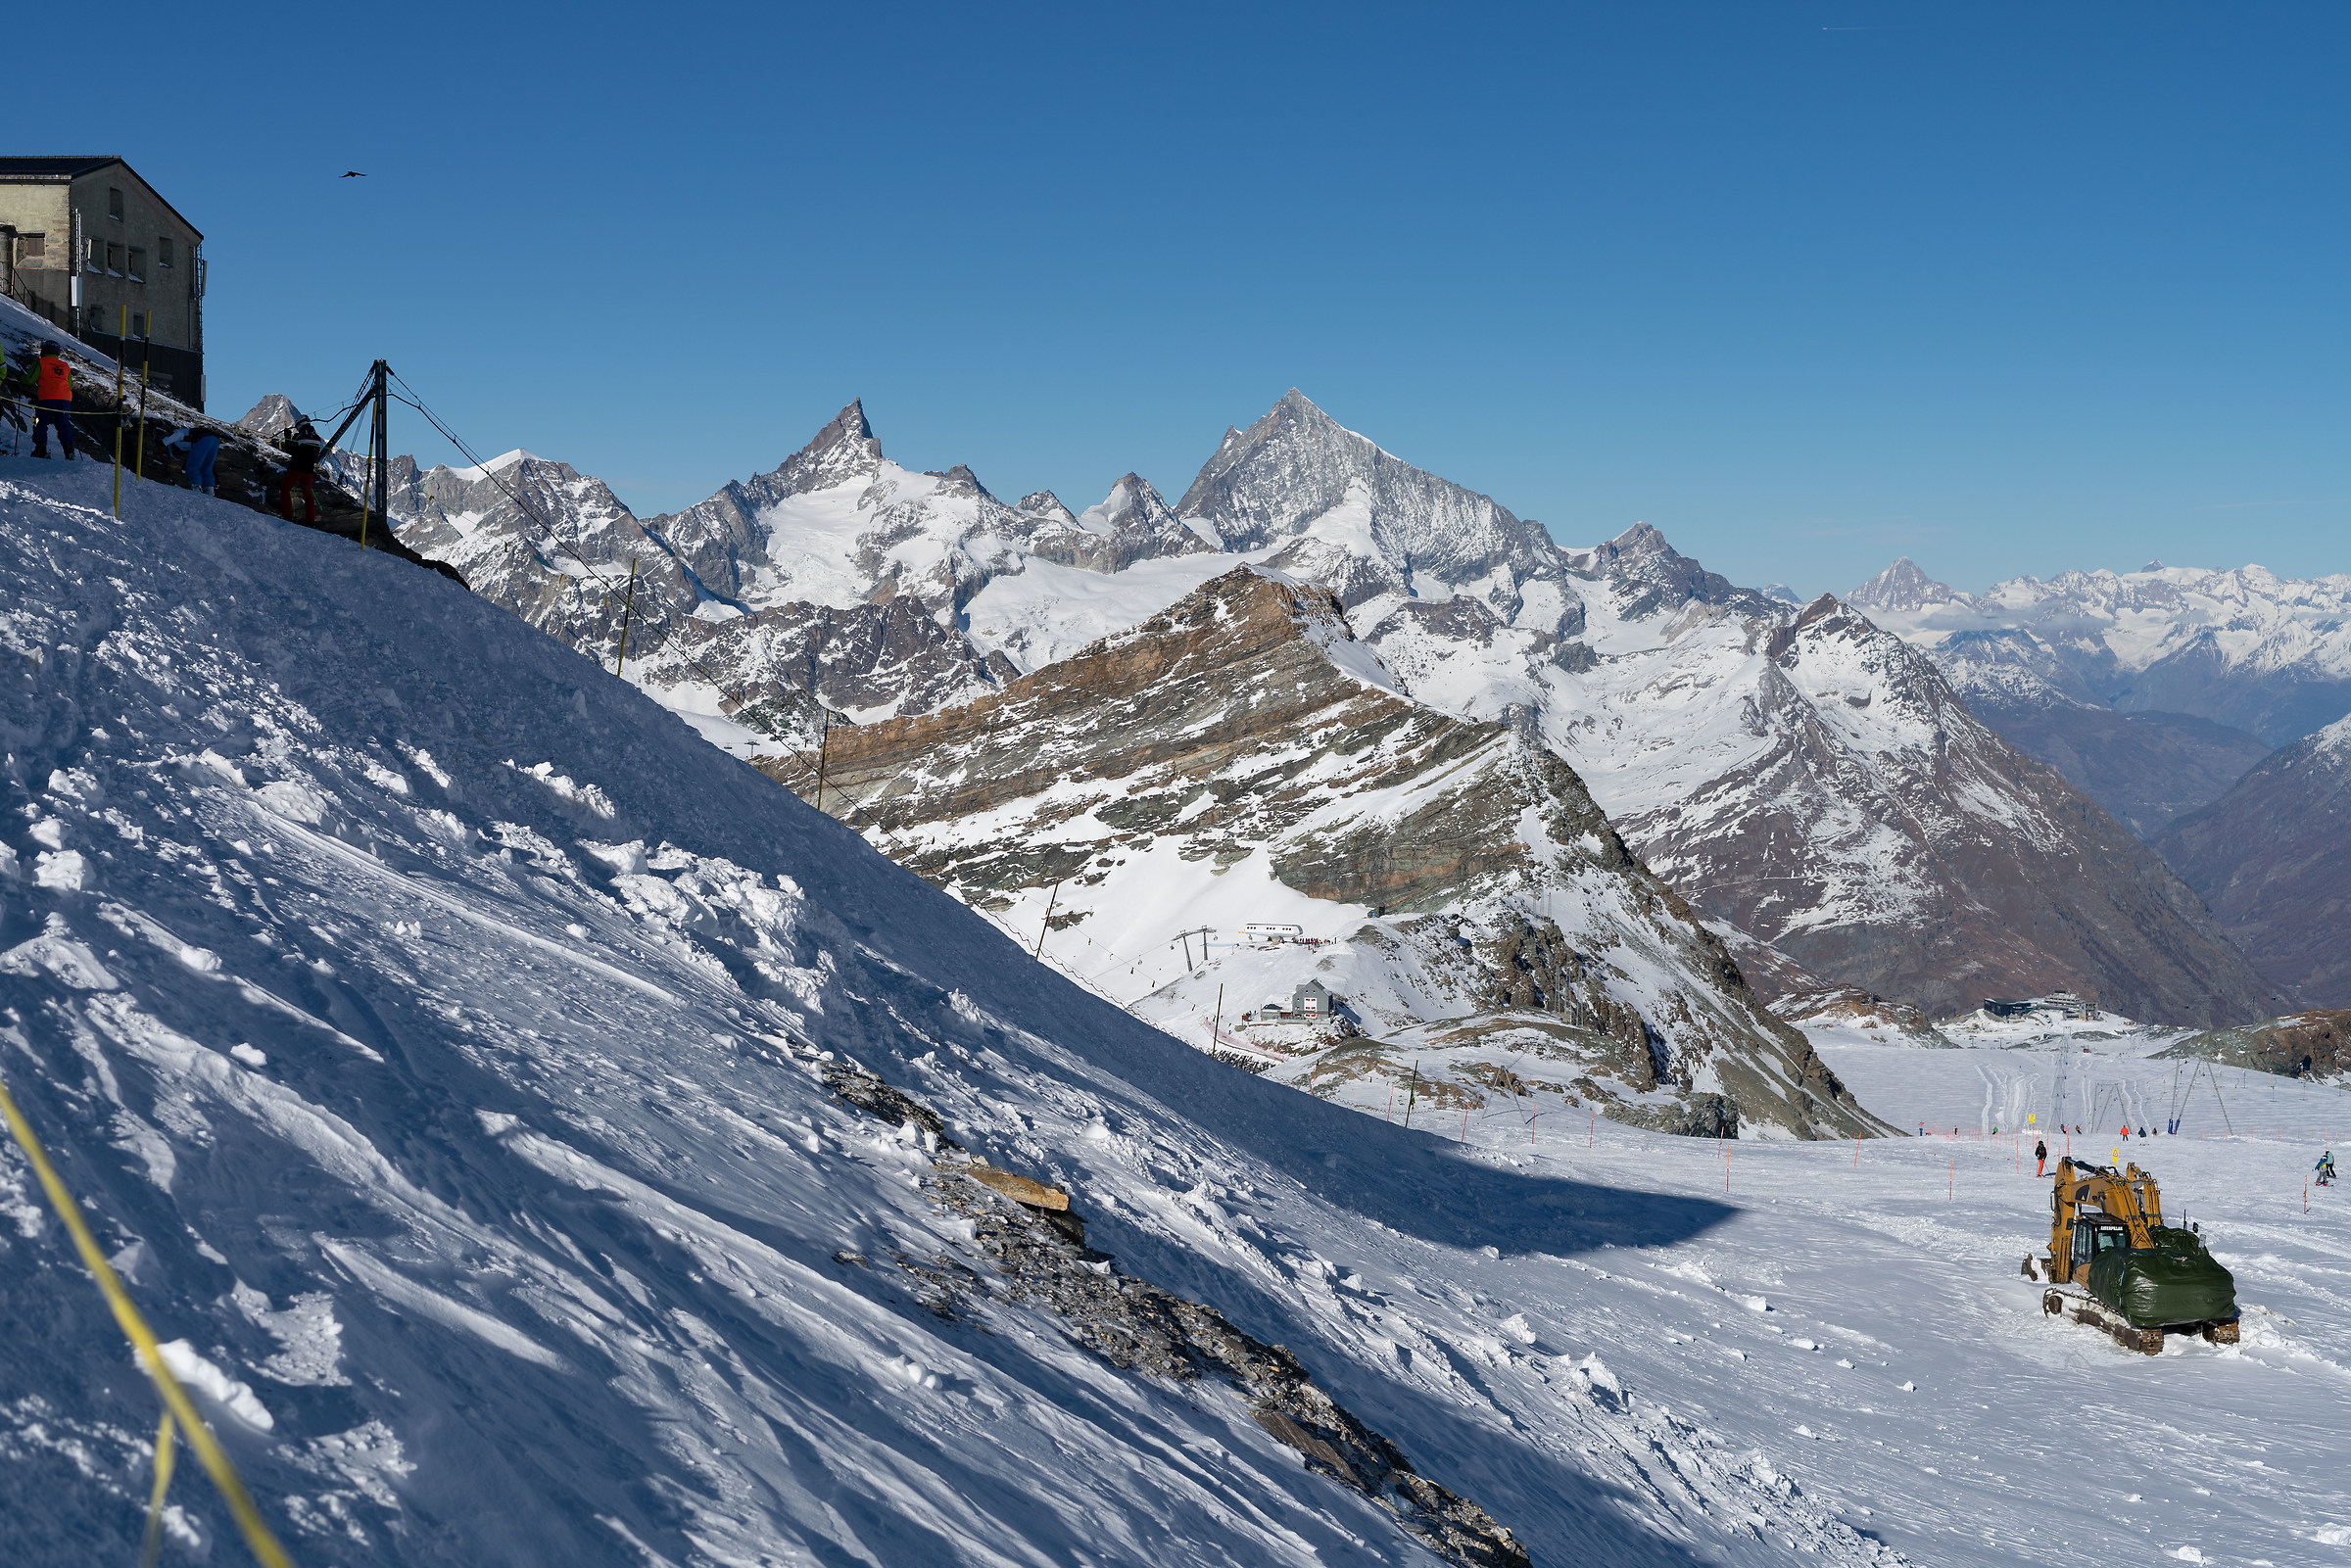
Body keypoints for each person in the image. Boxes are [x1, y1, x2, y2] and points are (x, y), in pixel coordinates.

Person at [28, 341, 75, 460]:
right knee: (63, 424)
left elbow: (29, 380)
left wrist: (19, 377)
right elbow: (69, 385)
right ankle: (69, 451)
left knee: (40, 422)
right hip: (65, 399)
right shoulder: (65, 365)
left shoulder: (41, 362)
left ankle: (41, 449)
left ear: (44, 350)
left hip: (47, 397)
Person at [276, 416, 323, 522]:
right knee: (308, 495)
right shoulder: (317, 438)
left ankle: (287, 516)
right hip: (309, 471)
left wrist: (288, 436)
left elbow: (290, 450)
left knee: (285, 489)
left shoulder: (299, 436)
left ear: (299, 425)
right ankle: (311, 521)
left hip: (296, 468)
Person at [164, 424, 220, 496]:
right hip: (215, 440)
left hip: (204, 439)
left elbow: (178, 435)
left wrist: (163, 442)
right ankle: (209, 489)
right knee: (206, 466)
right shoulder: (192, 437)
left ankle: (196, 486)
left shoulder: (180, 432)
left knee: (193, 464)